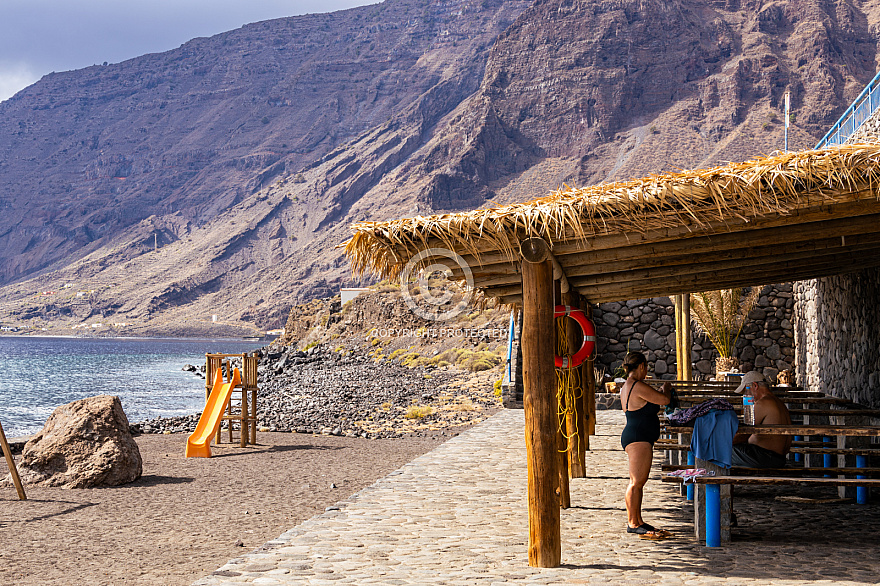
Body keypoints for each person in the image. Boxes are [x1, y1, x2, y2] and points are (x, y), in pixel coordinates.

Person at [619, 351, 672, 538]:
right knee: (636, 482)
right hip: (638, 436)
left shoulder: (627, 386)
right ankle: (633, 522)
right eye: (646, 367)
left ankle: (638, 520)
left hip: (637, 434)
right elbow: (664, 400)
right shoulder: (637, 385)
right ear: (641, 366)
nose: (646, 371)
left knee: (639, 482)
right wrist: (667, 388)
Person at [731, 371, 792, 468]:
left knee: (715, 451)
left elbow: (743, 435)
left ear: (755, 386)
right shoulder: (779, 403)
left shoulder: (763, 403)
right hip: (778, 458)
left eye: (747, 391)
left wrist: (722, 442)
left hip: (766, 458)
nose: (747, 396)